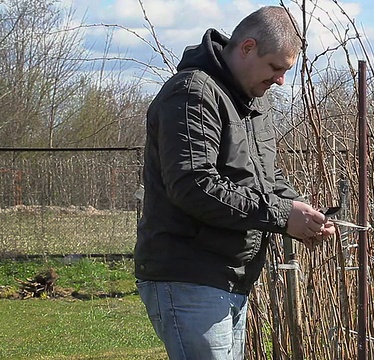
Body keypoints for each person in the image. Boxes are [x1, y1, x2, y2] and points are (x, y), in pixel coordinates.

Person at [134, 6, 335, 359]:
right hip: (190, 274)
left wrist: (300, 212)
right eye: (275, 67)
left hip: (229, 277)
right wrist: (281, 216)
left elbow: (263, 181)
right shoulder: (192, 94)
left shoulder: (251, 103)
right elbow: (195, 186)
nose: (280, 81)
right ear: (247, 47)